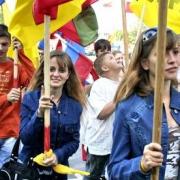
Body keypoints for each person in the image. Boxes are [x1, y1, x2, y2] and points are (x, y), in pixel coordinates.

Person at [107, 27, 180, 180]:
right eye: (163, 53)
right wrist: (141, 164)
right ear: (145, 63)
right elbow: (114, 170)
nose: (172, 59)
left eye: (175, 52)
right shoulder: (127, 108)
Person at [19, 50, 86, 180]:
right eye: (51, 69)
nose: (56, 74)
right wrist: (39, 114)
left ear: (68, 74)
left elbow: (74, 141)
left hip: (58, 173)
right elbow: (25, 139)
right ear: (44, 71)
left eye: (61, 70)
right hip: (30, 171)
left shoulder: (75, 105)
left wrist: (58, 155)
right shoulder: (30, 99)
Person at [82, 52, 122, 180]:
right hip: (100, 144)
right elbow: (102, 113)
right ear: (105, 68)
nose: (116, 58)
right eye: (111, 58)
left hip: (117, 143)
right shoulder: (100, 85)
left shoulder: (122, 84)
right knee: (92, 177)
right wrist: (121, 95)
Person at [0, 24, 35, 168]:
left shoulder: (16, 67)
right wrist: (6, 98)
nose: (0, 48)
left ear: (9, 44)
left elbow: (35, 80)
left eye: (4, 44)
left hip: (11, 132)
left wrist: (21, 54)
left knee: (7, 174)